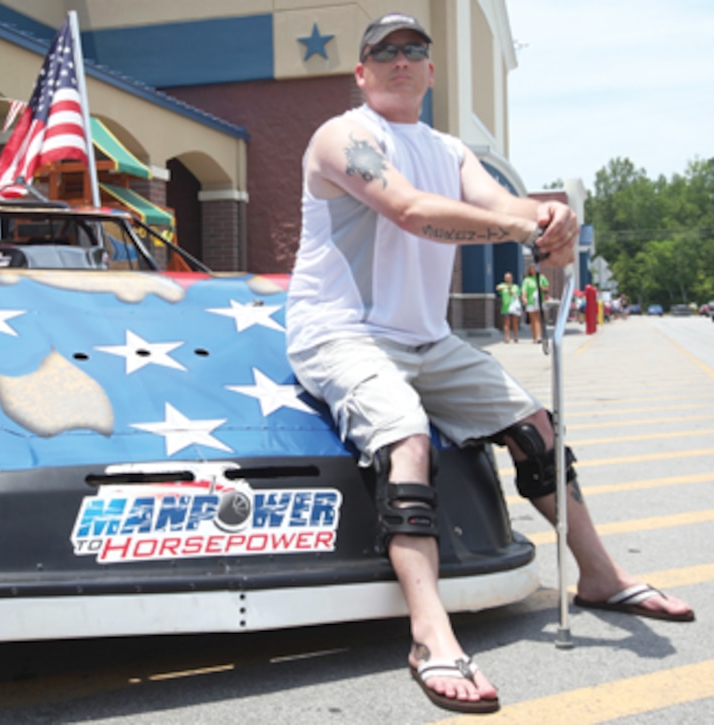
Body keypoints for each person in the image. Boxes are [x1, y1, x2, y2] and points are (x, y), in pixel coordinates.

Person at [285, 12, 694, 715]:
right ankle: (429, 632)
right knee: (407, 438)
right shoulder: (344, 137)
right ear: (361, 71)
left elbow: (502, 202)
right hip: (342, 332)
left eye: (415, 50)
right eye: (385, 52)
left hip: (426, 337)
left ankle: (599, 575)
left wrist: (548, 221)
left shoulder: (450, 148)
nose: (401, 60)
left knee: (534, 425)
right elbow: (410, 211)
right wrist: (522, 226)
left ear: (431, 70)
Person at [522, 262, 551, 342]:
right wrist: (524, 298)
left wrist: (542, 288)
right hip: (531, 301)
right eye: (532, 269)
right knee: (532, 319)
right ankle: (534, 336)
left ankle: (538, 337)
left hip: (540, 300)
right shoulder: (527, 280)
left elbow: (547, 288)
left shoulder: (541, 278)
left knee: (538, 318)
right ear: (529, 270)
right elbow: (524, 290)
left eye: (535, 268)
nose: (533, 270)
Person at [496, 271, 522, 343]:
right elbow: (498, 288)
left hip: (514, 306)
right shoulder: (503, 285)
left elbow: (518, 295)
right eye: (506, 278)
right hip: (506, 306)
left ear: (512, 278)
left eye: (509, 277)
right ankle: (507, 337)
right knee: (506, 322)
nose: (508, 279)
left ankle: (515, 336)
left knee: (515, 322)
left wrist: (513, 292)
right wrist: (506, 286)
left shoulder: (515, 287)